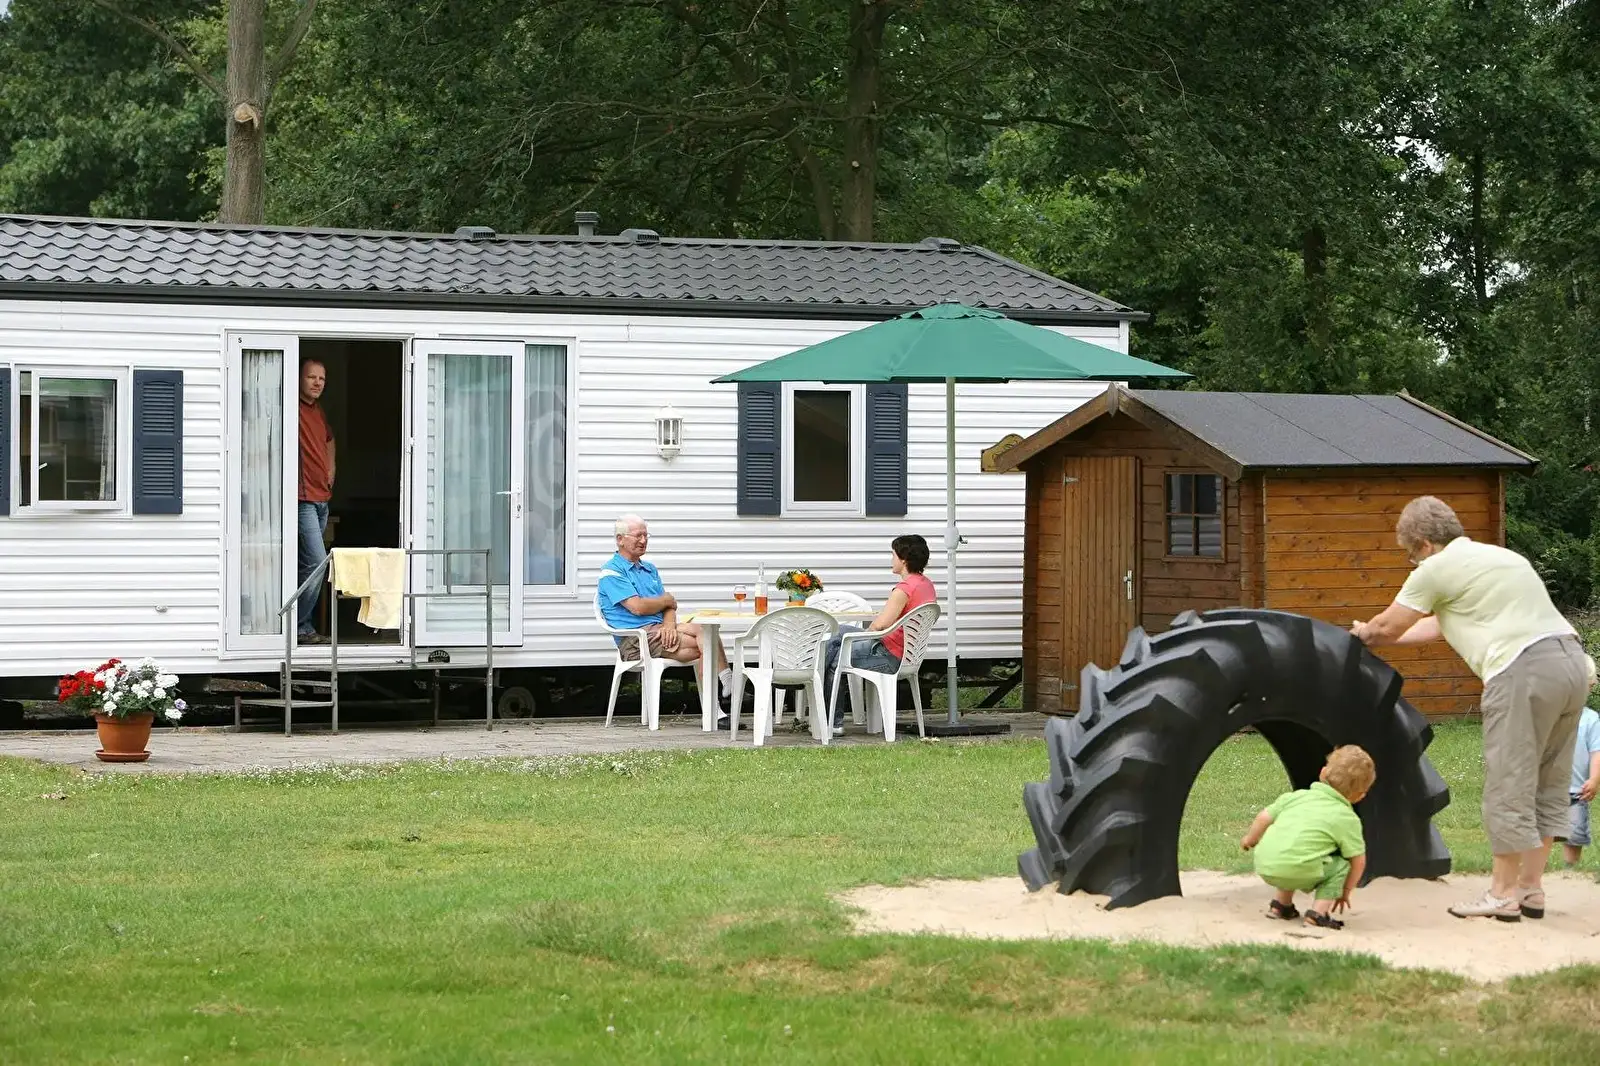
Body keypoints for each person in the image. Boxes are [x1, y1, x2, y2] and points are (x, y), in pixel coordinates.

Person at [1351, 495, 1594, 922]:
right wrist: (1385, 636)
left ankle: (1501, 895)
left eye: (1410, 554)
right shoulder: (1501, 559)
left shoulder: (1435, 569)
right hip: (1573, 665)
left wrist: (1363, 634)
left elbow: (1389, 625)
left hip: (1521, 670)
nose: (1412, 562)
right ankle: (1530, 889)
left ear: (1424, 544)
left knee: (1509, 781)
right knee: (1548, 781)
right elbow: (1433, 625)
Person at [597, 514, 732, 716]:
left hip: (660, 629)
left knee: (705, 630)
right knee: (706, 644)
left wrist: (669, 624)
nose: (643, 540)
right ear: (620, 539)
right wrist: (666, 601)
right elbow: (638, 607)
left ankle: (723, 688)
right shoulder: (611, 572)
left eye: (646, 535)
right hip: (635, 639)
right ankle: (718, 707)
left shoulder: (649, 569)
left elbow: (669, 606)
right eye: (638, 536)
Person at [1240, 745, 1374, 931]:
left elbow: (1264, 817)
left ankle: (1281, 906)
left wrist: (1250, 839)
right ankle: (1317, 914)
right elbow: (1358, 861)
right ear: (1360, 796)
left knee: (1294, 848)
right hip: (1298, 868)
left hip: (1266, 864)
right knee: (1341, 865)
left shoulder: (1296, 797)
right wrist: (1345, 891)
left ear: (1322, 773)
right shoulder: (1347, 818)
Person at [823, 534, 936, 735]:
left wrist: (862, 637)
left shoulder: (904, 589)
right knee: (837, 631)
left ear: (904, 559)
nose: (891, 559)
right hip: (908, 655)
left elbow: (879, 625)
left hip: (889, 656)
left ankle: (832, 722)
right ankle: (813, 674)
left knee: (834, 659)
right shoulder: (926, 584)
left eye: (893, 555)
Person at [297, 358, 335, 645]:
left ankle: (303, 626)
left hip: (322, 497)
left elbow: (329, 440)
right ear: (299, 378)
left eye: (321, 378)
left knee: (307, 565)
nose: (317, 383)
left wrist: (331, 470)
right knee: (318, 563)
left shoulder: (317, 410)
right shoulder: (290, 407)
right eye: (311, 377)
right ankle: (298, 626)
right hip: (303, 499)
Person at [1559, 706, 1600, 867]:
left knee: (1574, 836)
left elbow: (1597, 752)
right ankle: (1535, 872)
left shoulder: (1591, 718)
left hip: (1577, 791)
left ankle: (1569, 871)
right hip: (1544, 790)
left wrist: (1594, 779)